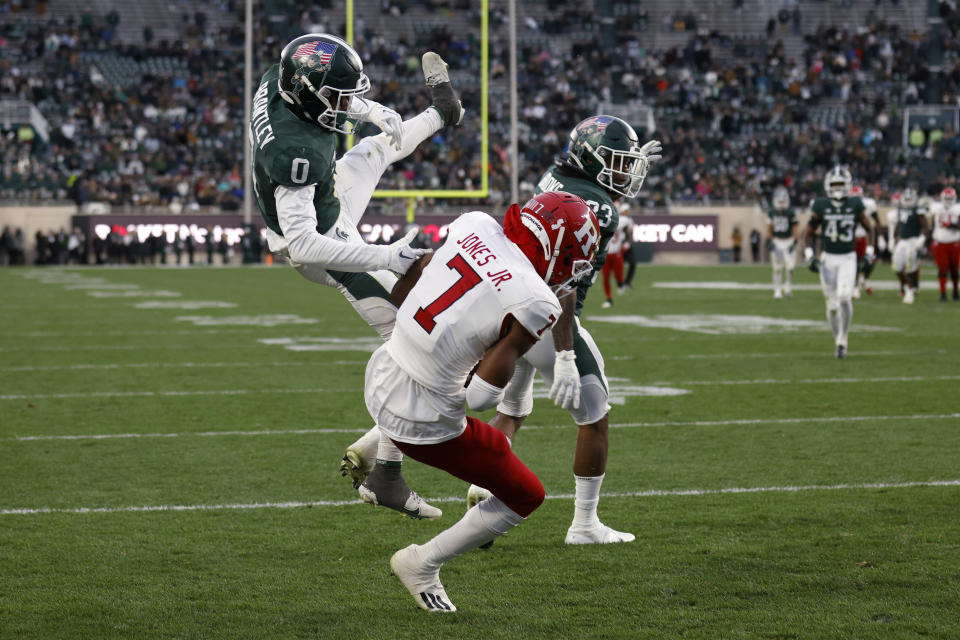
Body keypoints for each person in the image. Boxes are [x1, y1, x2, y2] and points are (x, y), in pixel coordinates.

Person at [250, 33, 465, 518]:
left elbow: (329, 101)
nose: (346, 105)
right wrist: (385, 256)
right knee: (417, 341)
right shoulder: (295, 152)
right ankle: (386, 474)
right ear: (307, 94)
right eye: (340, 98)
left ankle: (442, 111)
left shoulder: (278, 81)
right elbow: (302, 242)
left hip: (328, 200)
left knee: (376, 149)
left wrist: (371, 111)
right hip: (319, 243)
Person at [367, 192, 601, 612]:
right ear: (553, 248)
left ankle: (377, 451)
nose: (570, 273)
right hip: (421, 420)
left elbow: (407, 288)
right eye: (571, 259)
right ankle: (421, 562)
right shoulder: (536, 301)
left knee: (494, 450)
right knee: (526, 494)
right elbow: (478, 399)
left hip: (381, 371)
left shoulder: (475, 222)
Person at [469, 115, 661, 545]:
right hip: (549, 314)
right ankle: (585, 524)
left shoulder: (553, 175)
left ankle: (482, 489)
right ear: (592, 159)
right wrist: (567, 354)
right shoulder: (603, 210)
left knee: (513, 410)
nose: (623, 171)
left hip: (510, 302)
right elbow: (567, 281)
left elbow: (589, 191)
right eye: (616, 162)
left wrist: (624, 169)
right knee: (595, 415)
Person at [804, 166, 875, 358]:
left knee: (844, 298)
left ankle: (843, 339)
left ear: (847, 185)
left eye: (840, 184)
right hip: (828, 259)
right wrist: (809, 254)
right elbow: (808, 233)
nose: (837, 188)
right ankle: (838, 340)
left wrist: (869, 253)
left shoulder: (855, 204)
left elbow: (870, 230)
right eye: (834, 184)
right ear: (828, 186)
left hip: (847, 257)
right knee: (832, 306)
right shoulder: (820, 204)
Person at [891, 187, 931, 304]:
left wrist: (922, 239)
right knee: (897, 267)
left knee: (910, 267)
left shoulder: (918, 210)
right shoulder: (900, 208)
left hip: (913, 240)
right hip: (902, 241)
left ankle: (910, 290)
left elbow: (926, 227)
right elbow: (899, 224)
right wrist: (893, 238)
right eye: (906, 199)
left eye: (910, 199)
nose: (908, 201)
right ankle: (906, 287)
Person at [764, 185, 799, 299]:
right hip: (777, 241)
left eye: (783, 201)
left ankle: (788, 286)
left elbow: (795, 228)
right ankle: (777, 290)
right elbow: (769, 228)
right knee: (777, 268)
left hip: (788, 240)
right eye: (779, 201)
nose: (781, 203)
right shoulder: (771, 212)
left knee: (790, 267)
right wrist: (769, 240)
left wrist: (794, 242)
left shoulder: (790, 212)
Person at [929, 187, 960, 301]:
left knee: (954, 269)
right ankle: (943, 293)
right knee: (942, 268)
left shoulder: (957, 208)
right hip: (939, 241)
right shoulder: (936, 207)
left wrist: (951, 225)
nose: (948, 200)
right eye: (946, 198)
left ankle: (956, 291)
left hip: (954, 241)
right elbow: (932, 223)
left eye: (950, 198)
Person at [849, 185, 879, 298]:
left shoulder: (868, 204)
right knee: (854, 263)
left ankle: (865, 280)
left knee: (871, 261)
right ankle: (855, 287)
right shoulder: (847, 206)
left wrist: (880, 237)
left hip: (866, 237)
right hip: (852, 237)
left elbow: (877, 221)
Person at [600, 213, 631, 307]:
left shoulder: (621, 221)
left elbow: (628, 230)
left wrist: (626, 243)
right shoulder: (604, 221)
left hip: (617, 253)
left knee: (618, 275)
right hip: (606, 254)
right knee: (605, 277)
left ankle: (621, 284)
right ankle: (608, 298)